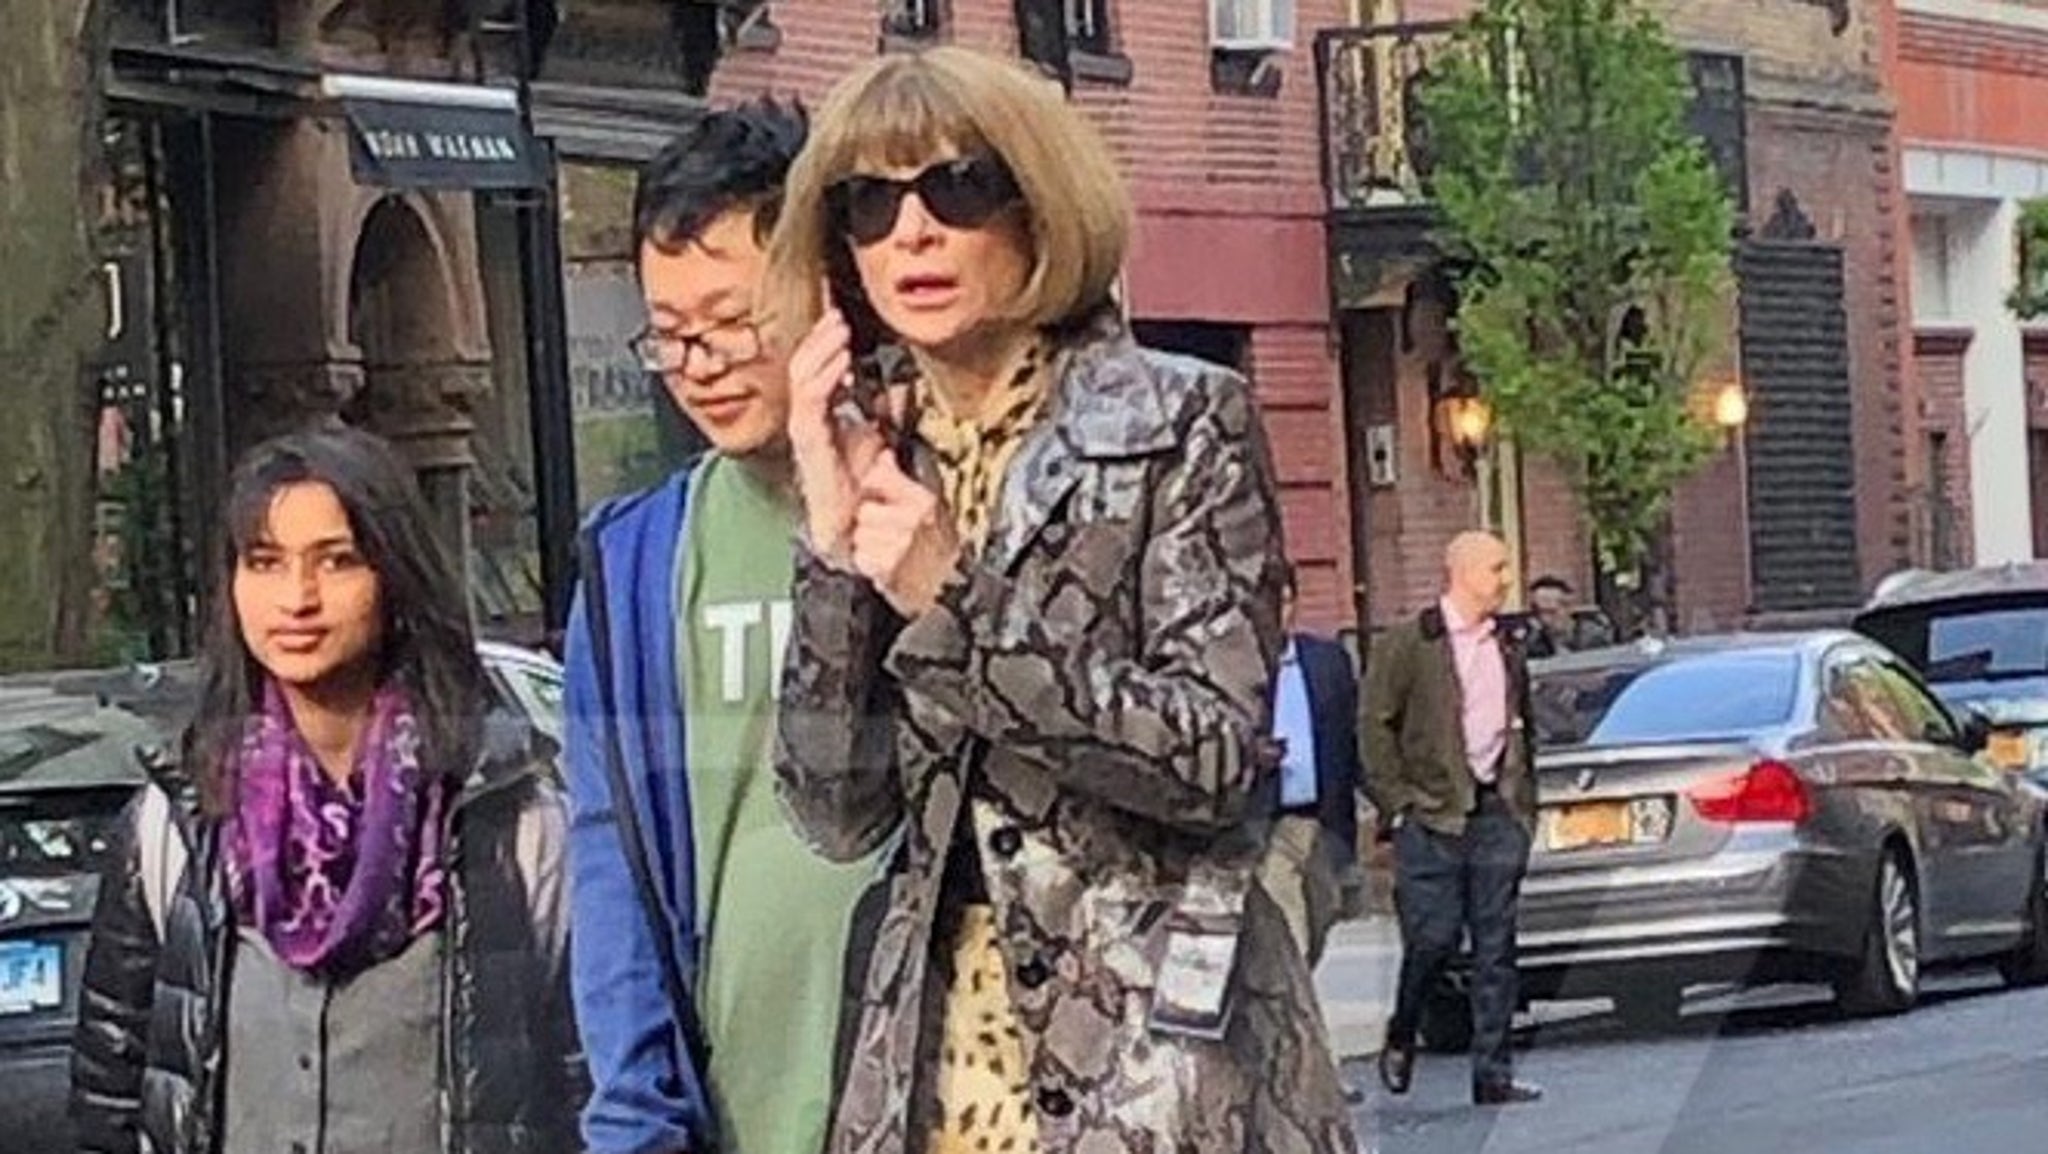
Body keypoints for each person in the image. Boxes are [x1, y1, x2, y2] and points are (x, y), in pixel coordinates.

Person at [764, 45, 1355, 1154]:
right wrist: (831, 544)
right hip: (931, 1071)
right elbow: (834, 810)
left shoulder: (1178, 422)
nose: (913, 233)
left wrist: (954, 599)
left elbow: (1214, 757)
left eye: (958, 186)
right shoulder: (884, 452)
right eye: (870, 203)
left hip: (1160, 1063)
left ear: (1038, 209)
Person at [70, 426, 583, 1154]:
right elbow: (110, 1103)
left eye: (336, 561)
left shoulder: (508, 819)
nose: (297, 598)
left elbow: (587, 1082)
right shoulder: (177, 824)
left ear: (395, 576)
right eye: (265, 562)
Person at [561, 98, 887, 1154]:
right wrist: (634, 1117)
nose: (697, 363)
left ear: (828, 293)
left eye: (731, 320)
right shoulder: (632, 567)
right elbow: (614, 870)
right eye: (669, 334)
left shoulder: (934, 509)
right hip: (733, 1108)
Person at [1362, 530, 1543, 1106]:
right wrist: (1399, 803)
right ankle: (1403, 1027)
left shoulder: (1508, 643)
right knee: (1434, 938)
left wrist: (1522, 808)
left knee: (1496, 948)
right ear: (1461, 572)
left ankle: (1493, 1072)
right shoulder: (1409, 643)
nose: (1505, 579)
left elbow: (1524, 724)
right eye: (1496, 567)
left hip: (1494, 811)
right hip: (1432, 817)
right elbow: (1373, 725)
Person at [1256, 566, 1364, 970]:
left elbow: (1350, 734)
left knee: (1320, 918)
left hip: (1321, 818)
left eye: (1284, 603)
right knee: (1288, 928)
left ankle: (1296, 997)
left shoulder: (1326, 661)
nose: (1277, 614)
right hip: (1269, 820)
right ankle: (1294, 1020)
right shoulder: (1241, 668)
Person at [1525, 574, 1611, 658]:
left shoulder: (1593, 637)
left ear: (1568, 608)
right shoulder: (1534, 642)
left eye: (1551, 612)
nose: (1543, 619)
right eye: (1537, 612)